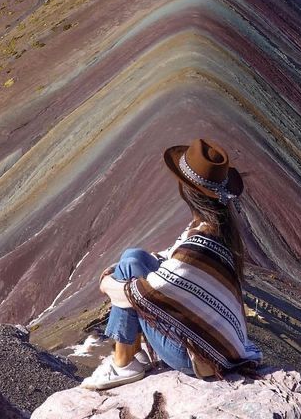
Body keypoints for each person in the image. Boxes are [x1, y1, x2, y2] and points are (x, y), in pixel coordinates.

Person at [81, 138, 262, 390]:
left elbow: (139, 293)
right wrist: (130, 268)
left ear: (187, 189)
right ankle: (131, 355)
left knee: (128, 272)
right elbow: (171, 263)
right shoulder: (215, 228)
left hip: (199, 359)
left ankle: (123, 363)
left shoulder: (199, 242)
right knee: (133, 258)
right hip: (214, 347)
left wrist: (106, 283)